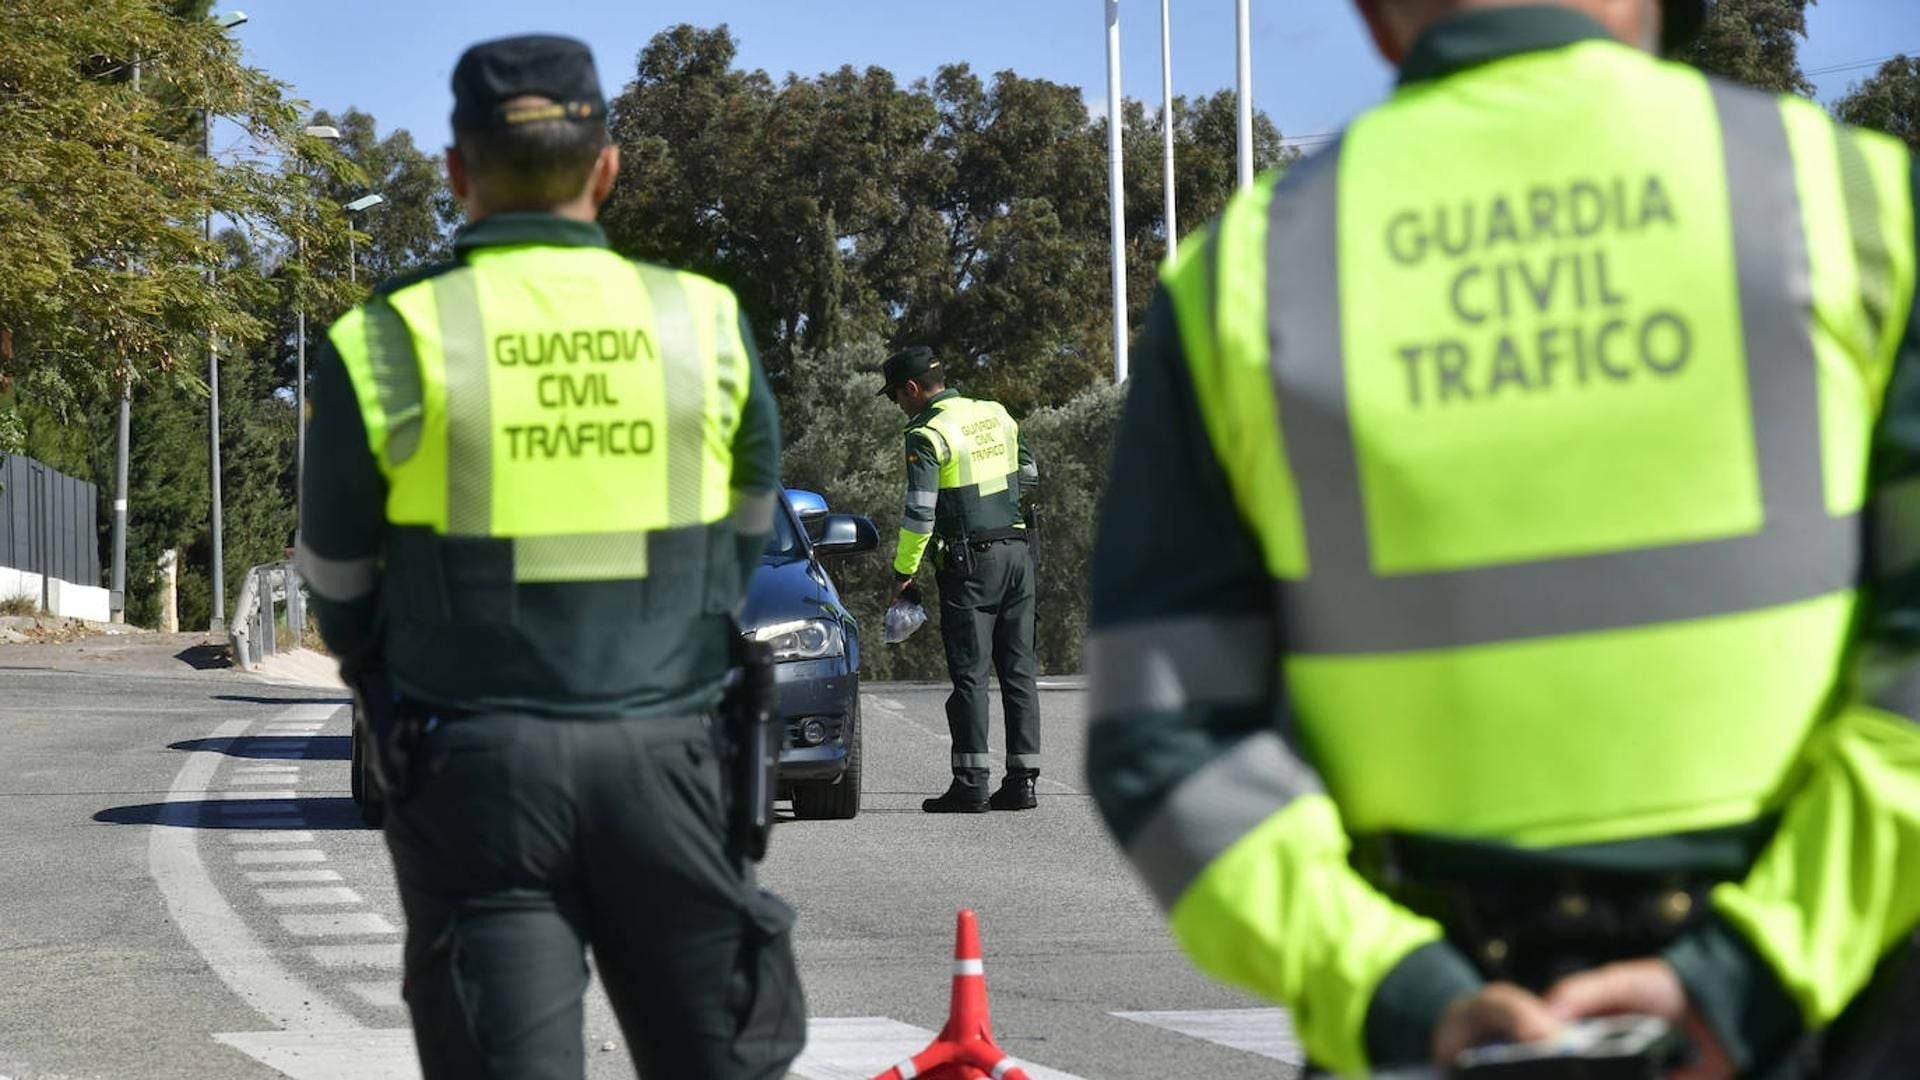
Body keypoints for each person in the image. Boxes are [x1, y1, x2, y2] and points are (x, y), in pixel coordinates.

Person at [1084, 0, 1920, 1075]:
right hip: (1826, 1023)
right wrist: (1752, 971)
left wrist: (1395, 996)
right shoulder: (1855, 203)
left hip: (1437, 1014)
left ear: (1376, 17)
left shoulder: (1243, 279)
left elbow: (1163, 745)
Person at [296, 34, 804, 1079]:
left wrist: (372, 671)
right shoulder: (700, 323)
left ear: (455, 171)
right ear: (607, 165)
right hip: (668, 748)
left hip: (475, 771)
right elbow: (750, 525)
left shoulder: (388, 338)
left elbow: (336, 569)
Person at [881, 346, 1044, 813]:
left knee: (971, 674)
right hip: (1017, 554)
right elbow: (1029, 473)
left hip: (970, 564)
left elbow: (919, 513)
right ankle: (1022, 783)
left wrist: (904, 571)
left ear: (911, 389)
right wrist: (994, 501)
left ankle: (971, 783)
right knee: (1018, 671)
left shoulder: (927, 433)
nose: (899, 405)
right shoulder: (996, 414)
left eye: (896, 396)